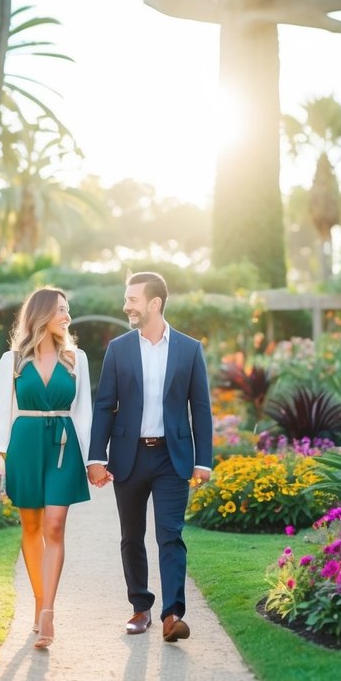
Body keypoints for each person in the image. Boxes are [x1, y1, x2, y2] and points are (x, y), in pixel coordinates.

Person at [87, 271, 213, 641]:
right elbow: (105, 405)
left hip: (173, 458)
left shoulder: (190, 349)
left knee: (170, 535)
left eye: (132, 299)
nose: (126, 306)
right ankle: (140, 607)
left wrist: (203, 460)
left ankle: (172, 615)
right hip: (129, 457)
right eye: (127, 299)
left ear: (154, 303)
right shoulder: (119, 349)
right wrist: (97, 456)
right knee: (131, 535)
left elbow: (200, 409)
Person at [0, 288, 92, 650]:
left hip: (63, 446)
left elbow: (84, 412)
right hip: (26, 444)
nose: (67, 316)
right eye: (61, 309)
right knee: (31, 527)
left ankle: (47, 613)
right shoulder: (12, 360)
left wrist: (94, 460)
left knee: (55, 525)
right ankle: (37, 600)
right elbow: (3, 412)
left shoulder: (76, 358)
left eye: (68, 309)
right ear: (42, 313)